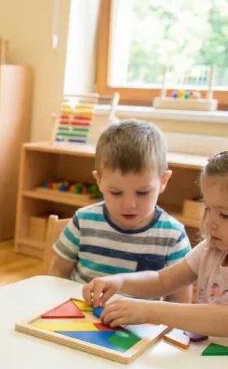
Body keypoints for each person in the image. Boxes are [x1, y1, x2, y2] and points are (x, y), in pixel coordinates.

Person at [84, 151, 228, 338]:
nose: (209, 222)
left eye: (224, 215)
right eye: (207, 208)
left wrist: (150, 310)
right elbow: (161, 280)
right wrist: (120, 281)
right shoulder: (210, 250)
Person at [49, 120, 191, 304]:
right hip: (81, 316)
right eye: (116, 192)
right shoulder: (83, 222)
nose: (129, 205)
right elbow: (57, 274)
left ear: (163, 181)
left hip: (139, 326)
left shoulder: (173, 235)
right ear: (99, 181)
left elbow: (180, 304)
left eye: (142, 192)